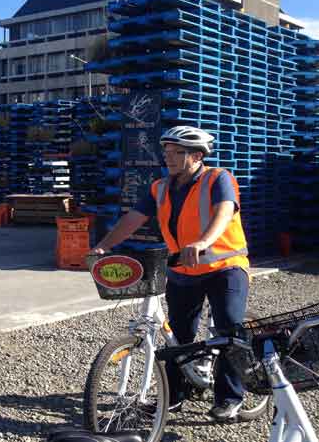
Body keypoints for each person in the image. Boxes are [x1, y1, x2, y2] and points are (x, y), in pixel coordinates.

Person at [89, 126, 250, 422]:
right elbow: (133, 218)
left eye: (177, 152)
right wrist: (104, 245)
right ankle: (174, 396)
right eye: (167, 152)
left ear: (198, 155)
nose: (169, 157)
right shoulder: (160, 187)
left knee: (229, 330)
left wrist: (203, 242)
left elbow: (224, 211)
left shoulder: (218, 178)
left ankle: (230, 398)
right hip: (182, 268)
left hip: (224, 267)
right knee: (178, 335)